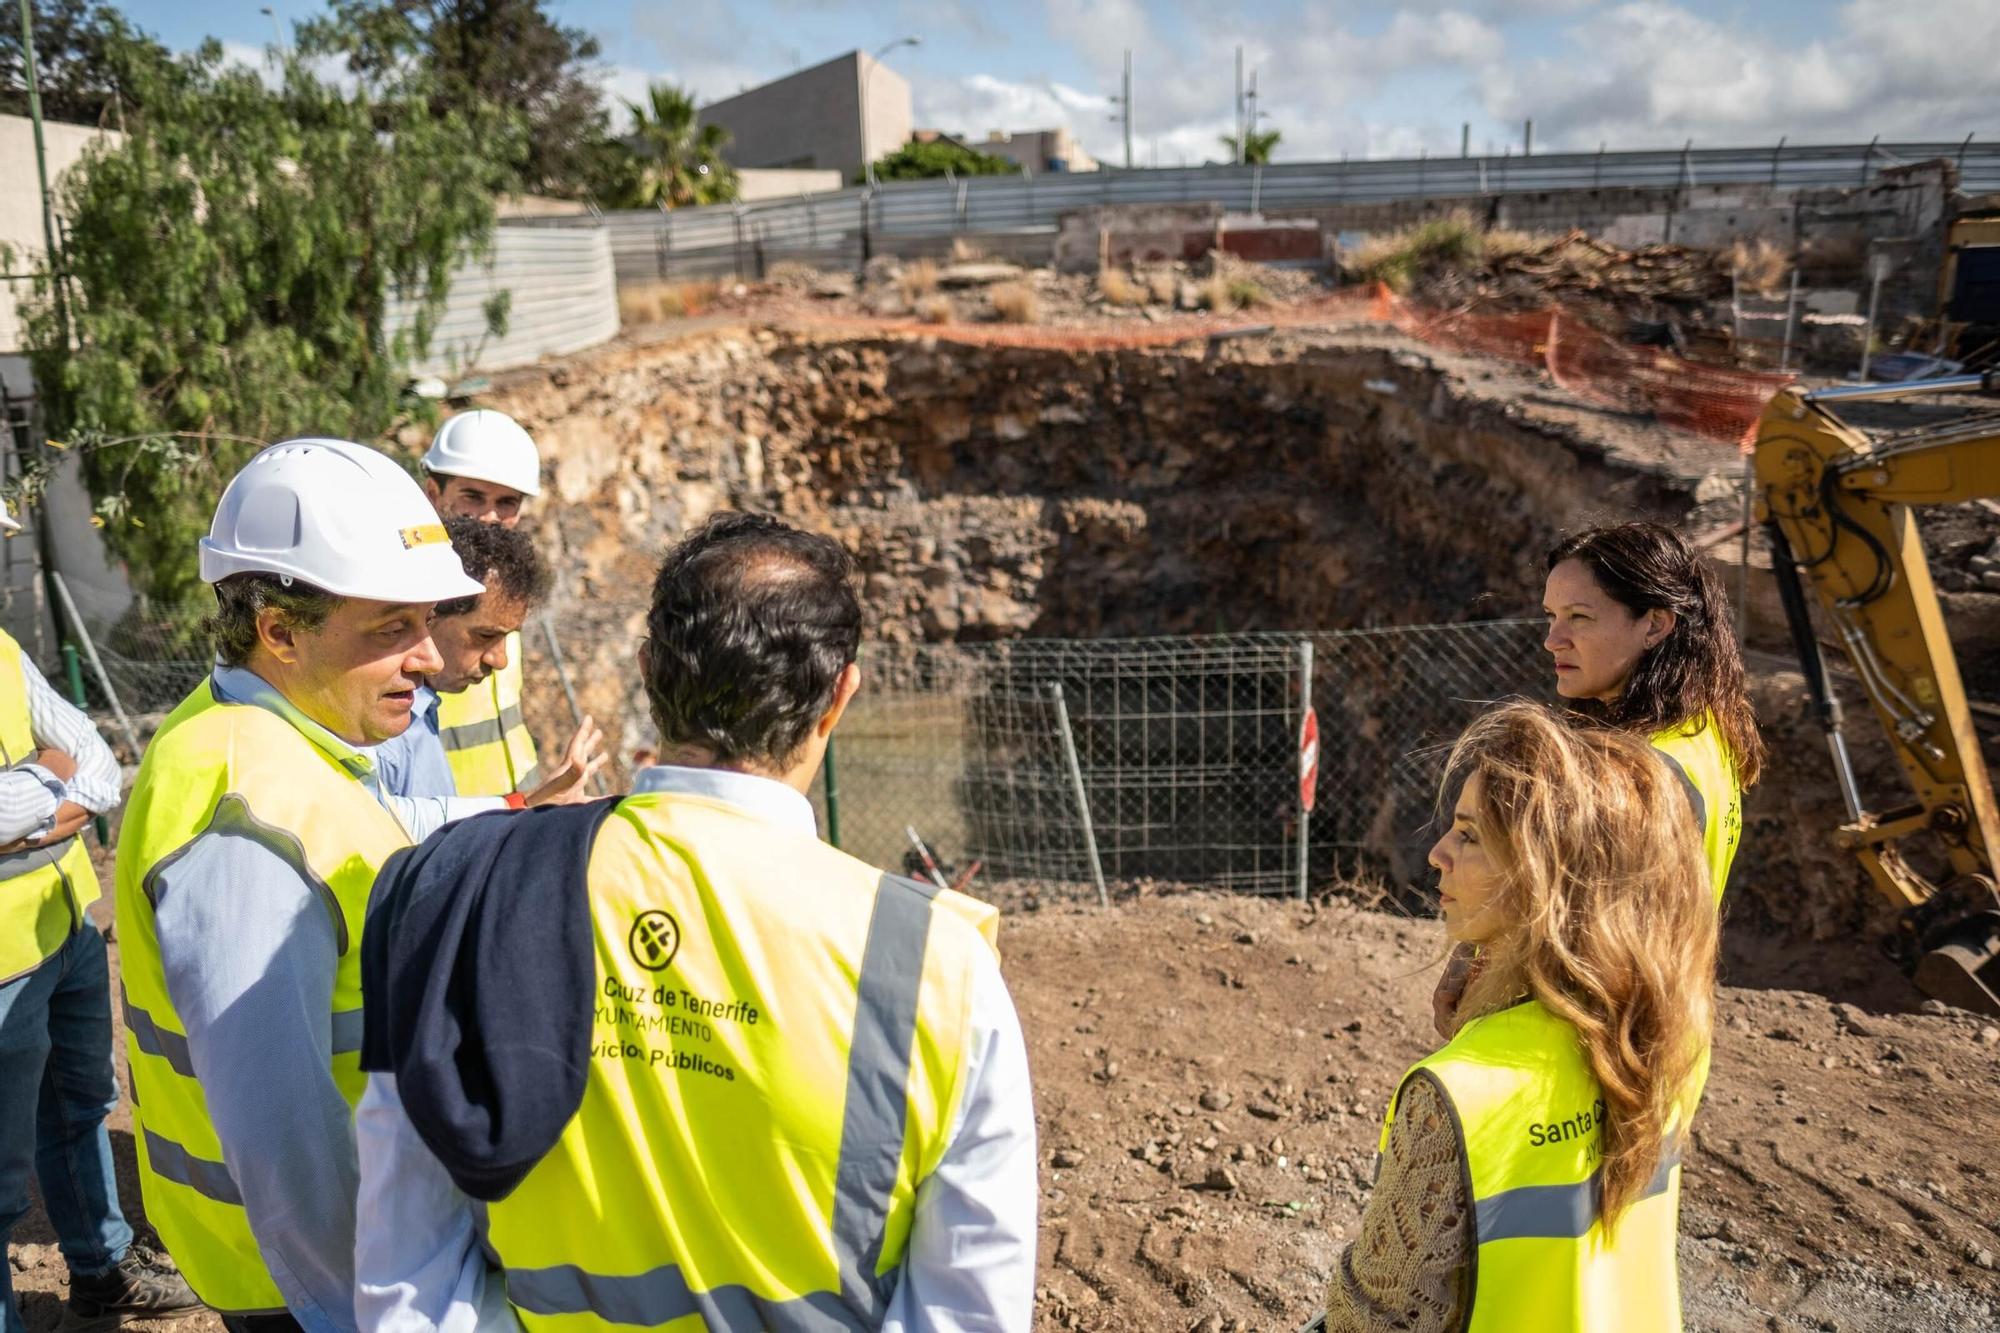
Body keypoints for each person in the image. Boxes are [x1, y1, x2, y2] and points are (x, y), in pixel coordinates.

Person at [356, 513, 1039, 1332]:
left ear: (648, 671)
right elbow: (969, 1313)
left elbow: (409, 1270)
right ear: (840, 694)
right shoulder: (939, 966)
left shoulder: (463, 891)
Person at [115, 439, 486, 1333]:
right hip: (317, 1286)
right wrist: (372, 1307)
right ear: (278, 632)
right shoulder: (244, 813)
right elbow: (282, 1137)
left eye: (428, 621)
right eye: (390, 628)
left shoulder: (282, 742)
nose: (430, 657)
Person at [1322, 702, 1717, 1333]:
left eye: (1471, 835)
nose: (1437, 855)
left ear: (1549, 875)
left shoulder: (1455, 1095)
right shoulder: (1667, 1036)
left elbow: (1375, 1321)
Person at [0, 513, 200, 1333]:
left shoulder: (3, 650)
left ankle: (102, 1267)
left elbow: (98, 758)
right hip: (2, 964)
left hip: (64, 927)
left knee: (84, 1102)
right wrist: (53, 781)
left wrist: (40, 782)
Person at [1542, 520, 1764, 899]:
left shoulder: (1640, 768)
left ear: (1655, 625)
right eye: (1551, 616)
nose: (1553, 641)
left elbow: (1587, 930)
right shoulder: (1703, 730)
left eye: (1579, 617)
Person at [375, 516, 606, 812]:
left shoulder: (418, 710)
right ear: (429, 615)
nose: (500, 660)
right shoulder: (385, 736)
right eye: (484, 636)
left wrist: (535, 802)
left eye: (507, 638)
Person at [420, 410, 544, 796]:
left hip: (517, 809)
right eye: (473, 497)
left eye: (507, 502)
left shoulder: (506, 594)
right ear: (433, 495)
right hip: (450, 826)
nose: (490, 517)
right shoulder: (411, 599)